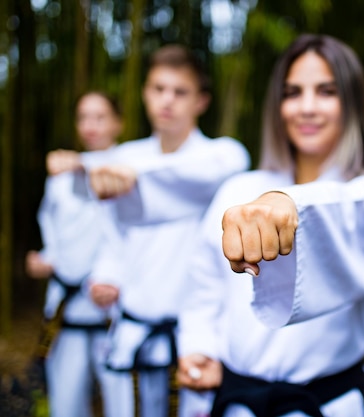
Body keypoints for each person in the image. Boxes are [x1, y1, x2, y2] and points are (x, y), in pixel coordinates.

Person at [176, 34, 364, 417]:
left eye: (325, 92)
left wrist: (288, 204)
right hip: (237, 400)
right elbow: (205, 287)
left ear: (351, 103)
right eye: (292, 92)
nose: (306, 107)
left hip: (327, 404)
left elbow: (356, 217)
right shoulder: (240, 189)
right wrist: (199, 348)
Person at [85, 44, 250, 417]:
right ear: (144, 92)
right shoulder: (125, 157)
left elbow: (202, 175)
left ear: (201, 101)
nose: (167, 101)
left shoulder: (223, 158)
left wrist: (133, 178)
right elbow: (113, 238)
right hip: (133, 328)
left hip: (194, 339)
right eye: (158, 89)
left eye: (180, 92)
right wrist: (105, 277)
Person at [25, 90, 125, 417]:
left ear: (118, 123)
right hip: (65, 310)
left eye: (99, 117)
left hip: (114, 313)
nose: (89, 125)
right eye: (83, 117)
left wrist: (116, 278)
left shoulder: (131, 171)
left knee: (122, 405)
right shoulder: (58, 180)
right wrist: (45, 258)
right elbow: (53, 231)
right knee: (65, 405)